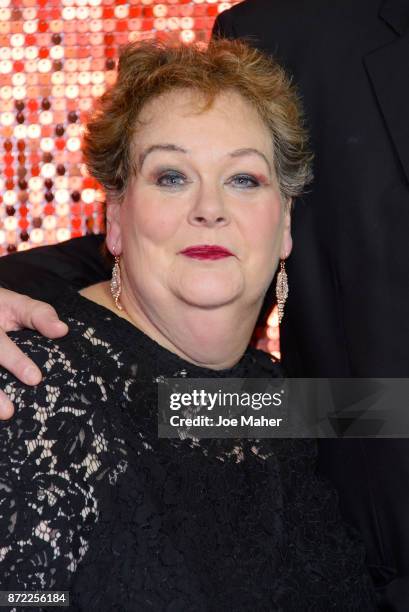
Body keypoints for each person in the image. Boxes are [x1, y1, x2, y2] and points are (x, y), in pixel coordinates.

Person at [0, 39, 378, 610]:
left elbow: (380, 412)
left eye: (244, 179)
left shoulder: (273, 401)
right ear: (116, 220)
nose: (209, 207)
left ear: (285, 227)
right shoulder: (35, 386)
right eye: (171, 176)